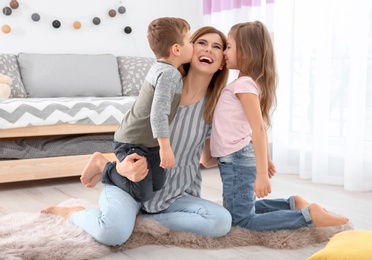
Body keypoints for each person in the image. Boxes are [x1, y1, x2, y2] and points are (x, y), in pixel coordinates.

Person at [41, 26, 233, 246]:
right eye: (201, 42)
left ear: (221, 63)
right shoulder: (164, 86)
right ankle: (72, 213)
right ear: (185, 49)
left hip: (177, 194)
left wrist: (240, 145)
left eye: (216, 46)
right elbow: (129, 136)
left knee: (220, 221)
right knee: (112, 234)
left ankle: (142, 222)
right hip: (130, 182)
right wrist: (121, 167)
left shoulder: (216, 108)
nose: (208, 49)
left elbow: (207, 160)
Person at [208, 20, 349, 231]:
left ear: (246, 52)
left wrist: (262, 173)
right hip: (235, 158)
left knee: (241, 221)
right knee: (239, 209)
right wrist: (266, 159)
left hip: (236, 158)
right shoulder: (244, 83)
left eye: (228, 46)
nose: (225, 52)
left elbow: (257, 128)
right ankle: (292, 204)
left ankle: (308, 216)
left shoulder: (244, 85)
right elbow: (256, 128)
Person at [81, 17, 193, 202]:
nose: (193, 45)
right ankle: (103, 165)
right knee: (142, 194)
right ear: (176, 49)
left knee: (157, 184)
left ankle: (116, 169)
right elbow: (158, 113)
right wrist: (166, 147)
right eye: (190, 41)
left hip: (149, 144)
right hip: (133, 141)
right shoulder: (168, 74)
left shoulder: (162, 68)